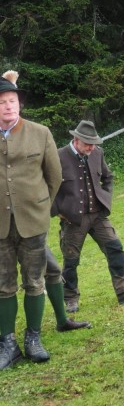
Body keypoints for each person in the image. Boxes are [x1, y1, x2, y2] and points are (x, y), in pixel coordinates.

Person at [0, 70, 62, 370]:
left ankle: (33, 338)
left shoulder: (40, 133)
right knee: (3, 285)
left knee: (35, 281)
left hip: (33, 222)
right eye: (2, 102)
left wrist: (40, 207)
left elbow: (54, 177)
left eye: (12, 100)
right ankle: (8, 344)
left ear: (19, 103)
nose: (8, 106)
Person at [52, 120, 124, 313]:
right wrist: (59, 211)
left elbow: (108, 177)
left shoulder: (97, 153)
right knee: (71, 260)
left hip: (98, 215)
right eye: (88, 143)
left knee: (115, 249)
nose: (91, 147)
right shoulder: (58, 156)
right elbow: (47, 186)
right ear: (76, 140)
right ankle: (70, 299)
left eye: (94, 143)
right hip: (72, 220)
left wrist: (105, 198)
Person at [44, 246, 92, 331]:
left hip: (33, 239)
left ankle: (62, 322)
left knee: (53, 271)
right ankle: (29, 332)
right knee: (31, 282)